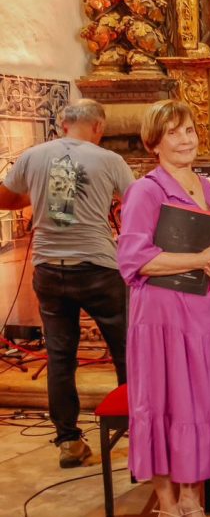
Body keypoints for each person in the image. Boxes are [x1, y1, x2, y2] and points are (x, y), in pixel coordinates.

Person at [116, 99, 210, 517]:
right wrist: (200, 258)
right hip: (162, 318)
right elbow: (133, 258)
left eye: (190, 130)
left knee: (202, 406)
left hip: (208, 313)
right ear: (154, 142)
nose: (186, 139)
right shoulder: (146, 191)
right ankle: (168, 511)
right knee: (167, 406)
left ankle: (193, 503)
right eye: (174, 132)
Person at [0, 99, 131, 468]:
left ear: (62, 125)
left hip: (48, 270)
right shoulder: (108, 160)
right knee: (126, 350)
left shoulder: (35, 155)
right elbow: (139, 204)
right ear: (99, 127)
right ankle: (136, 429)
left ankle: (69, 441)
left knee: (60, 356)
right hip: (97, 270)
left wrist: (36, 196)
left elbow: (5, 197)